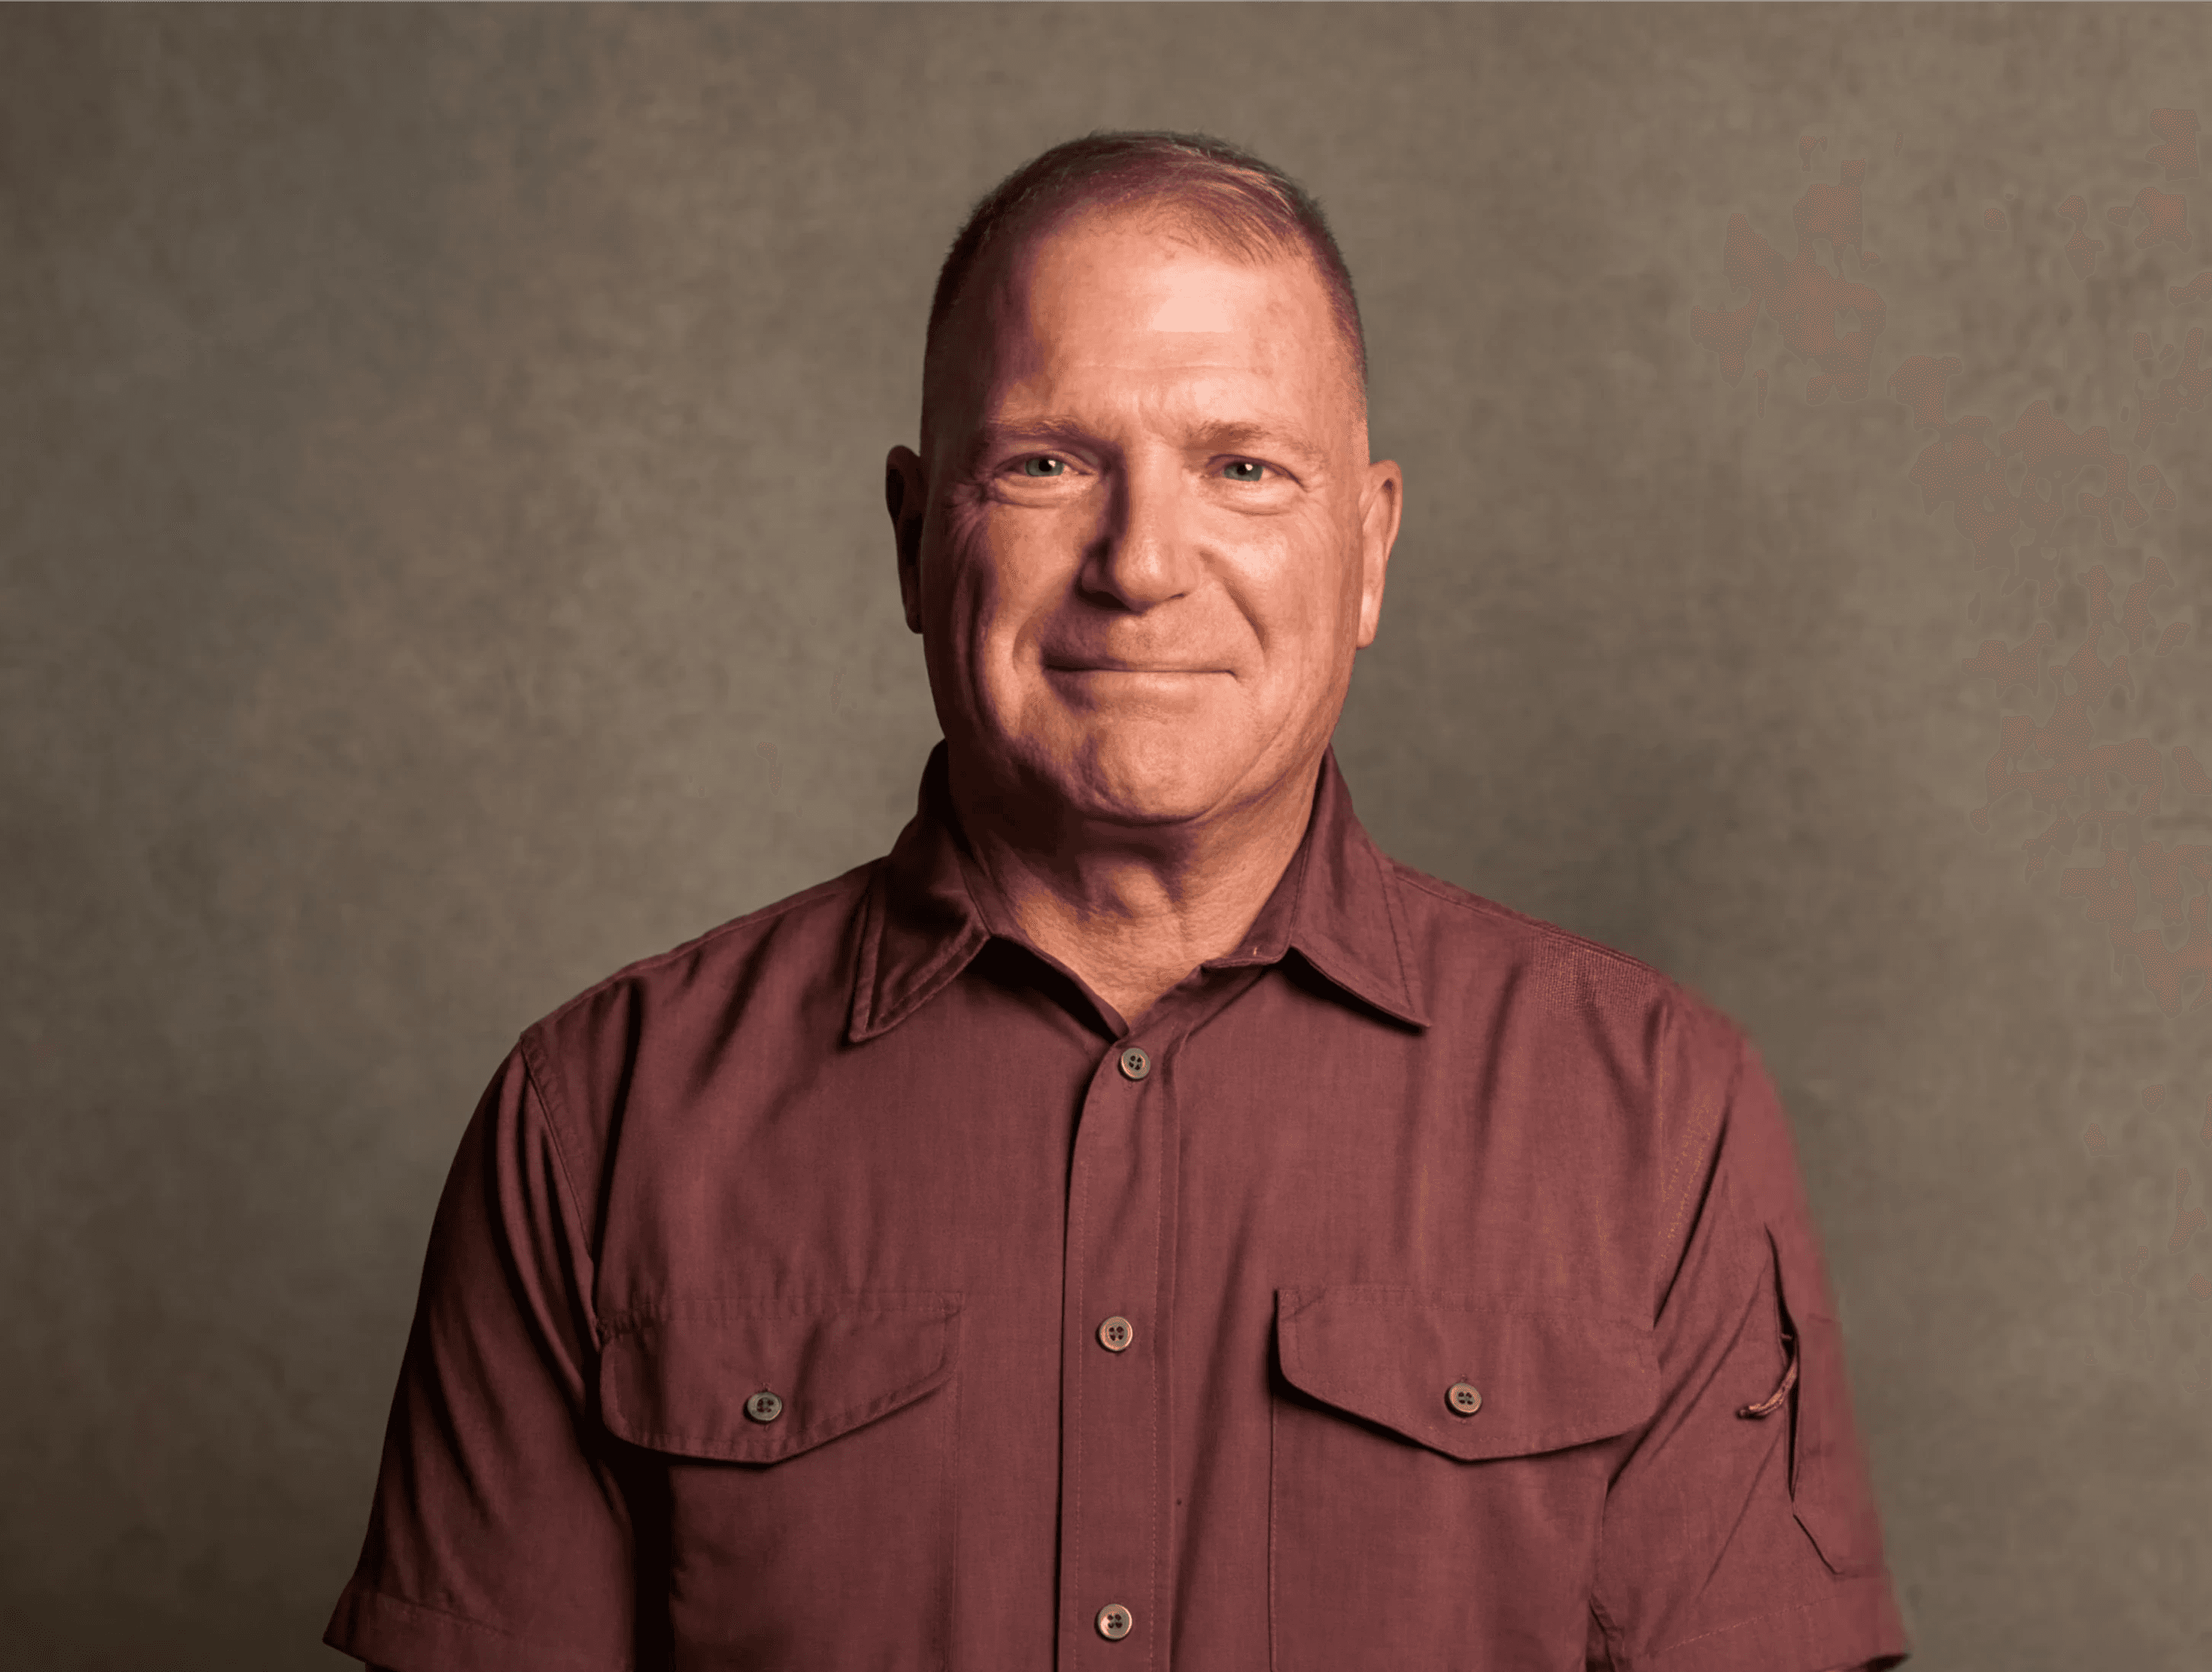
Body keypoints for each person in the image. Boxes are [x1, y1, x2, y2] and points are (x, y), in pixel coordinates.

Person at [326, 131, 1908, 1672]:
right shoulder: (597, 1120)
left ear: (1368, 550)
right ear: (908, 535)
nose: (1141, 561)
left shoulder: (1656, 1116)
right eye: (1046, 462)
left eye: (1242, 468)